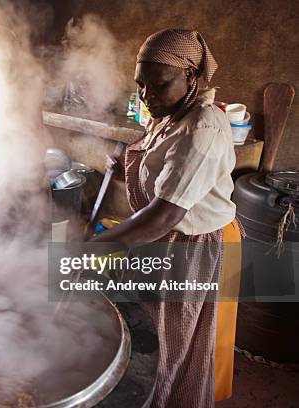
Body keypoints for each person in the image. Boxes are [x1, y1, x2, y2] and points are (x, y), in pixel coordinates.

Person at [94, 29, 243, 407]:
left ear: (191, 76)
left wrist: (98, 246)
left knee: (169, 344)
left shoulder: (203, 127)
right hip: (165, 238)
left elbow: (165, 214)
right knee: (154, 330)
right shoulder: (171, 111)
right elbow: (161, 154)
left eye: (158, 85)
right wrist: (125, 159)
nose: (147, 96)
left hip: (192, 246)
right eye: (141, 85)